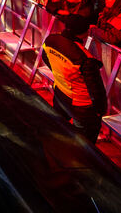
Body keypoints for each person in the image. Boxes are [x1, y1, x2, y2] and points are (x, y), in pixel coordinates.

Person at [42, 14, 107, 144]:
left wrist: (60, 75)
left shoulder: (50, 40)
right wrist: (100, 110)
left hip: (60, 94)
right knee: (85, 143)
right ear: (83, 33)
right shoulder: (85, 59)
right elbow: (96, 90)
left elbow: (45, 58)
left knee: (60, 130)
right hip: (81, 106)